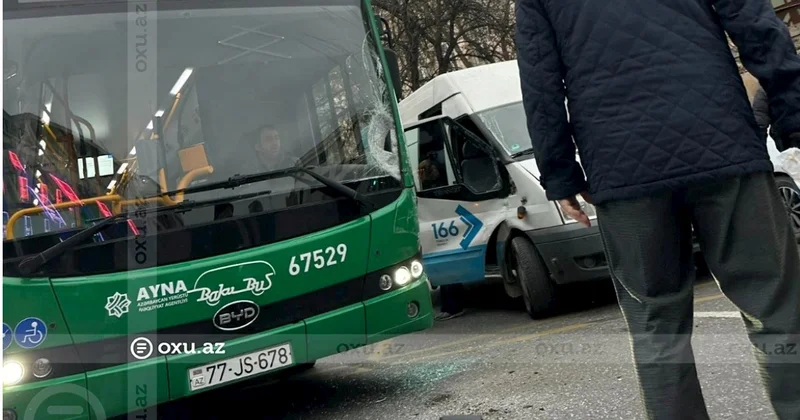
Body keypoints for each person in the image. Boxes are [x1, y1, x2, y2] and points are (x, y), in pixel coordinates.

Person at [515, 1, 800, 419]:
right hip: (721, 143)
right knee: (774, 306)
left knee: (656, 326)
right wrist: (792, 112)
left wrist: (560, 174)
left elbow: (540, 81)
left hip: (621, 166)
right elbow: (757, 25)